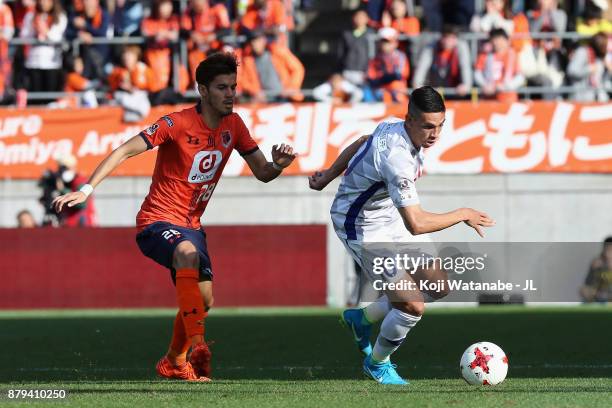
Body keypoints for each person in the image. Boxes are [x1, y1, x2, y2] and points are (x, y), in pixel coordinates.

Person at [52, 52, 297, 382]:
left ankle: (174, 361)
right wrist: (86, 189)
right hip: (156, 222)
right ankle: (197, 345)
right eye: (222, 87)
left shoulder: (235, 125)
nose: (230, 94)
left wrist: (279, 165)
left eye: (233, 87)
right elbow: (124, 149)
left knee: (205, 298)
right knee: (186, 254)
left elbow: (263, 173)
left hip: (192, 227)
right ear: (203, 90)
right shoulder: (176, 123)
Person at [308, 86, 494, 385]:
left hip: (391, 216)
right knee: (412, 304)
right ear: (409, 120)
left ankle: (363, 318)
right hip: (362, 226)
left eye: (440, 126)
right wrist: (462, 214)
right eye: (427, 127)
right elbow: (417, 223)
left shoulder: (392, 125)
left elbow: (361, 142)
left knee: (438, 286)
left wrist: (327, 176)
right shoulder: (398, 161)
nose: (434, 134)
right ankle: (377, 364)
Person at [412, 25, 473, 98]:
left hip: (456, 90)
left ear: (455, 39)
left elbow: (465, 66)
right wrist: (418, 84)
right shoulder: (431, 47)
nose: (448, 41)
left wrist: (466, 85)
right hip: (435, 91)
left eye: (451, 38)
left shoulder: (461, 47)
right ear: (441, 38)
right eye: (445, 37)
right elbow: (422, 67)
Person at [580, 236, 612, 303]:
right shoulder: (597, 265)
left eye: (610, 250)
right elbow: (587, 287)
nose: (607, 255)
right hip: (599, 301)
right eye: (605, 250)